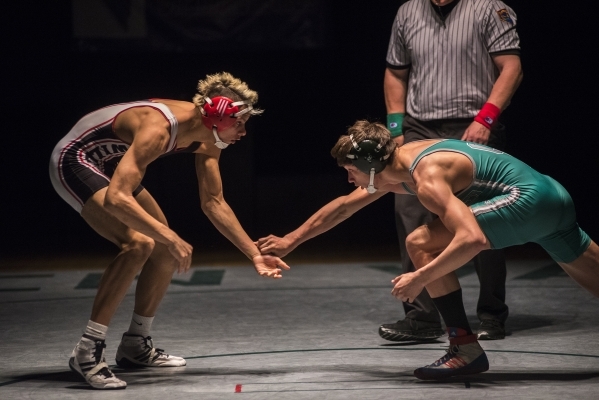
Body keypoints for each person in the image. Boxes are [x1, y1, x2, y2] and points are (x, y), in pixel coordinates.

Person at [256, 120, 599, 379]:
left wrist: (420, 277)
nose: (348, 178)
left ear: (371, 167)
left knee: (419, 242)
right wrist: (291, 240)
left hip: (528, 202)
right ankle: (463, 347)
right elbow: (345, 206)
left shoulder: (427, 176)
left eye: (350, 170)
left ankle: (464, 349)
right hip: (552, 196)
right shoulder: (398, 161)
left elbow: (472, 239)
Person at [49, 72, 290, 390]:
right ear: (216, 116)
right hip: (76, 160)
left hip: (112, 162)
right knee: (138, 244)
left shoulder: (210, 137)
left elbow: (214, 203)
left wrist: (255, 255)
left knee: (161, 248)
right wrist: (172, 236)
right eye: (240, 123)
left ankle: (135, 344)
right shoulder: (158, 129)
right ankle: (87, 350)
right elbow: (117, 198)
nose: (244, 131)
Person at [382, 0, 523, 342]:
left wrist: (486, 119)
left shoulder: (489, 8)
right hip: (419, 128)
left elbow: (511, 67)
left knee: (482, 217)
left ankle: (491, 314)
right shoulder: (408, 11)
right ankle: (423, 317)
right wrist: (396, 126)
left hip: (472, 125)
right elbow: (396, 72)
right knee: (411, 215)